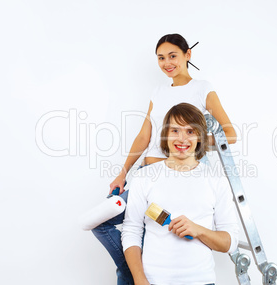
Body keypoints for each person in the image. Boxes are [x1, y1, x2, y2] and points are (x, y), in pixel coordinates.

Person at [91, 33, 237, 284]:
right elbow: (143, 136)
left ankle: (135, 275)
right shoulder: (158, 92)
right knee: (108, 223)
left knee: (163, 234)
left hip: (184, 172)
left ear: (188, 55)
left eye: (173, 56)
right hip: (148, 176)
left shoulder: (202, 88)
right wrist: (123, 172)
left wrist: (191, 145)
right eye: (161, 58)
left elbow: (230, 134)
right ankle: (135, 274)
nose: (167, 63)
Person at [122, 103, 240, 285]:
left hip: (202, 281)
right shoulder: (144, 176)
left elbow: (229, 243)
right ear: (165, 135)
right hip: (153, 281)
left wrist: (199, 230)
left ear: (201, 137)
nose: (182, 139)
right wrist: (139, 279)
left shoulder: (215, 179)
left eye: (190, 131)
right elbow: (132, 231)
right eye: (175, 130)